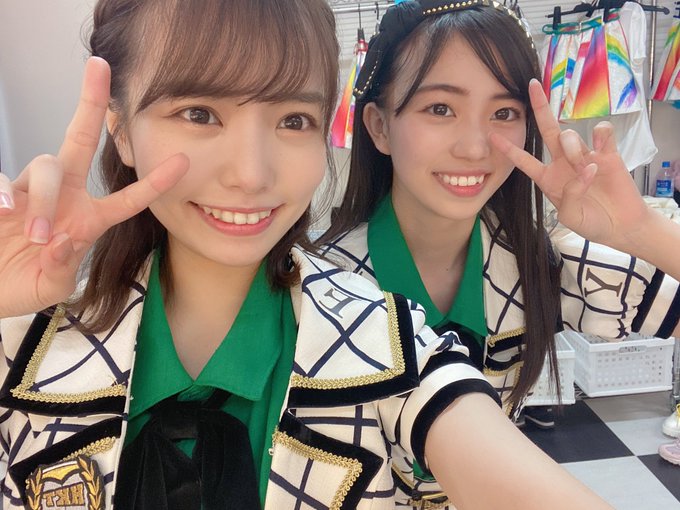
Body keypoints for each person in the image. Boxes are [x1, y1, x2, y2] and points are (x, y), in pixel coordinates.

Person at [0, 1, 644, 510]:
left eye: (293, 120)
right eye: (199, 113)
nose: (252, 175)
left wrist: (639, 229)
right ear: (119, 129)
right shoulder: (25, 344)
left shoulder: (391, 346)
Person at [322, 0, 680, 436]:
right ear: (380, 127)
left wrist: (639, 229)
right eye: (440, 108)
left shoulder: (544, 263)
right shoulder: (320, 288)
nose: (475, 148)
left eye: (504, 113)